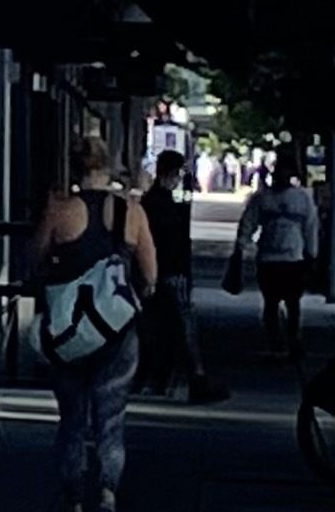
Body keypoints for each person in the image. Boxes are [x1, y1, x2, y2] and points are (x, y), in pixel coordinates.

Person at [30, 135, 158, 512]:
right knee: (111, 422)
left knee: (71, 421)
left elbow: (33, 260)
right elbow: (151, 275)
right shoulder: (131, 213)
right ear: (109, 167)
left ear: (74, 168)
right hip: (117, 332)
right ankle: (107, 500)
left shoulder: (61, 210)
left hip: (69, 333)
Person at [139, 148, 230, 404]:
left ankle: (156, 376)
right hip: (171, 271)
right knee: (183, 326)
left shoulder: (150, 202)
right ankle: (195, 378)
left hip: (158, 270)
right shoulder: (165, 205)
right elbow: (176, 241)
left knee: (161, 326)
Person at [232, 149, 325, 365]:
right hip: (270, 259)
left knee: (292, 304)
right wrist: (242, 246)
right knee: (272, 303)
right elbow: (248, 223)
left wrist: (311, 255)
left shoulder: (301, 198)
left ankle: (292, 341)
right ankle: (276, 341)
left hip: (293, 259)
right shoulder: (263, 198)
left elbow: (311, 228)